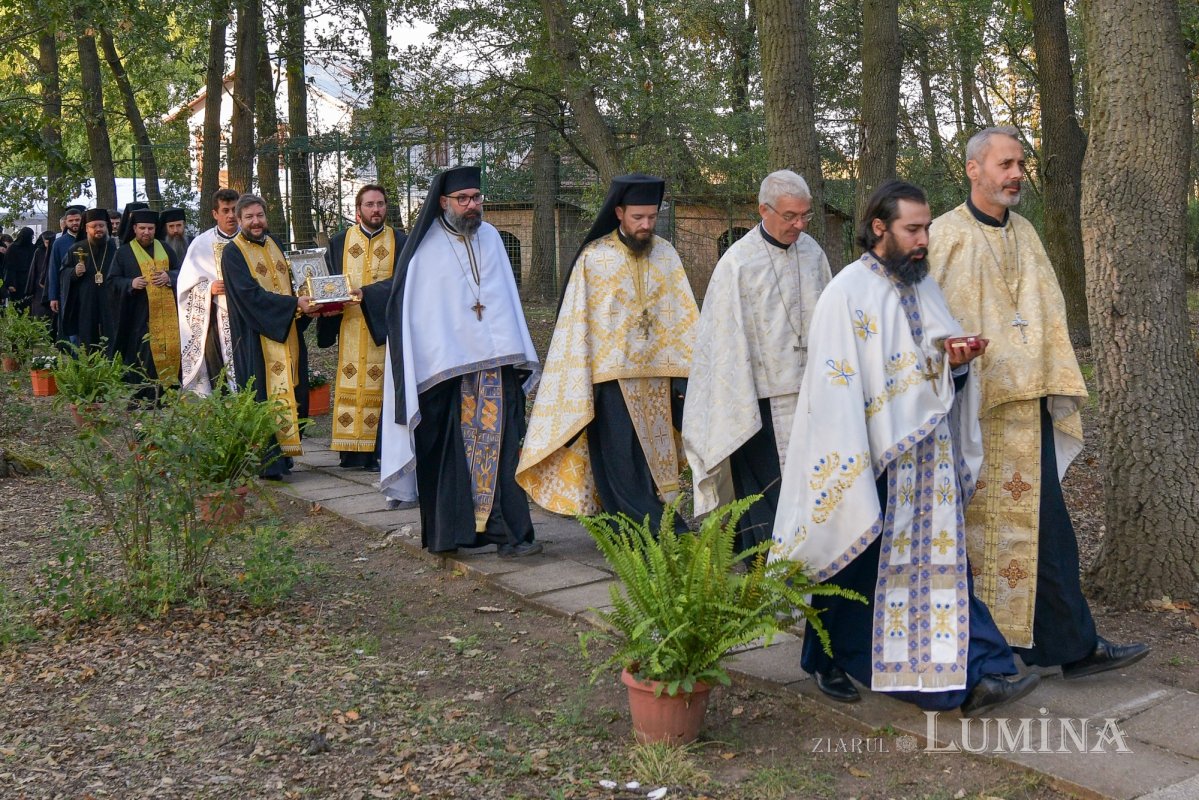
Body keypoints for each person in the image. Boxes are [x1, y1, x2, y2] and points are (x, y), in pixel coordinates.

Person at [772, 180, 1040, 717]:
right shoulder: (847, 292)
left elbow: (935, 359)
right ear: (880, 227)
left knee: (944, 566)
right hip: (870, 453)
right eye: (913, 229)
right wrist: (855, 449)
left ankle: (978, 671)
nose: (923, 240)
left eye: (926, 229)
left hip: (928, 460)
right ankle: (823, 659)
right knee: (851, 557)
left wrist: (957, 362)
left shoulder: (923, 285)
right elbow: (833, 385)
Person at [927, 126, 1149, 678]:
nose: (1016, 174)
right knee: (967, 535)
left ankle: (1070, 646)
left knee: (1047, 532)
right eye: (1005, 164)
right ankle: (981, 655)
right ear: (974, 169)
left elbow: (1046, 314)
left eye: (1020, 164)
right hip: (970, 412)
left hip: (1028, 412)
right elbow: (926, 322)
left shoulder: (1026, 232)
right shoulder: (943, 236)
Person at [357, 166, 542, 557]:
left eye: (477, 197)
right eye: (464, 199)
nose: (472, 206)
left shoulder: (491, 238)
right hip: (446, 376)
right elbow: (408, 305)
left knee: (504, 450)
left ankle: (511, 535)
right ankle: (452, 534)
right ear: (443, 203)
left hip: (497, 366)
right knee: (450, 455)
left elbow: (503, 298)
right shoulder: (426, 247)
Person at [516, 174, 697, 533]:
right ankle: (647, 529)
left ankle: (647, 524)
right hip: (610, 381)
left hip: (660, 377)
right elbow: (576, 322)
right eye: (638, 218)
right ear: (618, 212)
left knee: (652, 463)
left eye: (652, 217)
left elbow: (684, 314)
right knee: (620, 462)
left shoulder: (667, 255)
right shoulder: (594, 258)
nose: (647, 225)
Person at [682, 170, 832, 551]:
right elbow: (722, 344)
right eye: (790, 216)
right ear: (763, 210)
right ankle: (767, 573)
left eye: (805, 216)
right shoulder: (738, 264)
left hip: (812, 397)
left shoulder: (813, 252)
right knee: (768, 493)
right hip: (760, 403)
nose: (799, 225)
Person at [221, 194, 317, 479]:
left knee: (292, 391)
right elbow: (249, 296)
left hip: (285, 331)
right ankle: (268, 462)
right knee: (264, 395)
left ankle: (285, 455)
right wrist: (292, 306)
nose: (255, 222)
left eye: (259, 215)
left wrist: (306, 302)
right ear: (238, 221)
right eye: (249, 217)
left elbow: (289, 283)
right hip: (256, 336)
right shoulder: (233, 252)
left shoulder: (275, 243)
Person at [317, 184, 405, 470]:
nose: (376, 209)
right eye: (370, 205)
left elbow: (403, 283)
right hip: (350, 327)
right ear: (358, 211)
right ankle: (352, 453)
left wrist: (369, 293)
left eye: (380, 204)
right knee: (350, 382)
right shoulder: (340, 241)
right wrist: (327, 306)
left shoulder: (400, 241)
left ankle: (380, 452)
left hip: (384, 330)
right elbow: (329, 280)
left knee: (383, 389)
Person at [109, 208, 181, 388]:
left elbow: (182, 271)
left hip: (169, 315)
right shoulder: (124, 253)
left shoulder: (165, 248)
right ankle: (145, 393)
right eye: (142, 228)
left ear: (155, 229)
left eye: (150, 228)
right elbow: (112, 281)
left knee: (170, 348)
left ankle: (169, 391)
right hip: (138, 314)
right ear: (134, 229)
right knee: (143, 353)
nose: (146, 232)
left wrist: (169, 277)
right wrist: (130, 283)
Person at [178, 189, 240, 394]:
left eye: (234, 210)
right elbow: (184, 286)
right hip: (216, 318)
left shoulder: (248, 239)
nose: (231, 215)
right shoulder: (201, 244)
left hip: (247, 314)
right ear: (215, 214)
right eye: (225, 210)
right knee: (219, 370)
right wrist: (208, 288)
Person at [58, 209, 117, 350]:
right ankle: (88, 368)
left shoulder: (115, 247)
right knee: (87, 339)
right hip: (85, 302)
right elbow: (62, 273)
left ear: (106, 227)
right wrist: (74, 272)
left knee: (111, 338)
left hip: (110, 301)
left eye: (101, 226)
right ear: (86, 228)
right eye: (94, 226)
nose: (98, 229)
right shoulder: (76, 248)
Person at [47, 205, 84, 318]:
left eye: (77, 220)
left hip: (87, 290)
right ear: (66, 222)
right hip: (67, 290)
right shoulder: (59, 243)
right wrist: (53, 296)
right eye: (71, 220)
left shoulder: (89, 239)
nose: (74, 223)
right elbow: (54, 269)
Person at [24, 231, 57, 320]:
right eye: (46, 243)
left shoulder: (56, 250)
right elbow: (33, 270)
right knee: (40, 313)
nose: (48, 245)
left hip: (53, 284)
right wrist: (30, 289)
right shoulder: (39, 251)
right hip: (40, 287)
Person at [2, 227, 37, 310]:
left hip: (29, 281)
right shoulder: (13, 248)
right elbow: (8, 267)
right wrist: (10, 284)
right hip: (16, 281)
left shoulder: (32, 248)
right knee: (17, 306)